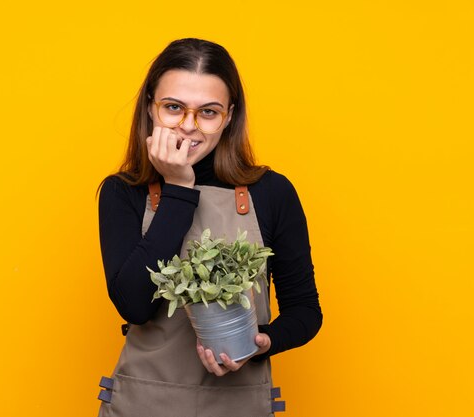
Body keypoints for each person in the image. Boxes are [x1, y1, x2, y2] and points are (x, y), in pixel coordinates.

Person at [96, 38, 322, 417]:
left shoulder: (271, 193)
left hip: (239, 404)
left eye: (209, 112)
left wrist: (259, 344)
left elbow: (304, 311)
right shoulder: (124, 193)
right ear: (150, 107)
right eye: (173, 108)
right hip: (143, 403)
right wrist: (178, 188)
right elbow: (133, 305)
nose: (189, 126)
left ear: (230, 116)